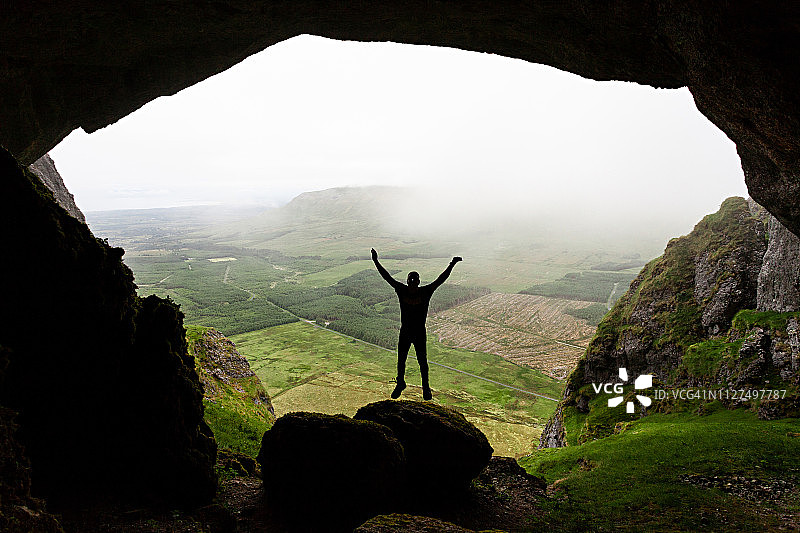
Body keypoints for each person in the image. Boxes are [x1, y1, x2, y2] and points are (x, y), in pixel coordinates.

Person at [371, 248, 462, 400]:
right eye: (411, 280)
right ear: (409, 281)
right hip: (407, 331)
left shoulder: (416, 291)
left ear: (418, 282)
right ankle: (402, 383)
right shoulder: (415, 291)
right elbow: (386, 276)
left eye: (414, 280)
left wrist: (452, 264)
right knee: (402, 360)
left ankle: (425, 388)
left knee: (421, 361)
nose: (412, 282)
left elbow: (441, 279)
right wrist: (375, 261)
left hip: (417, 332)